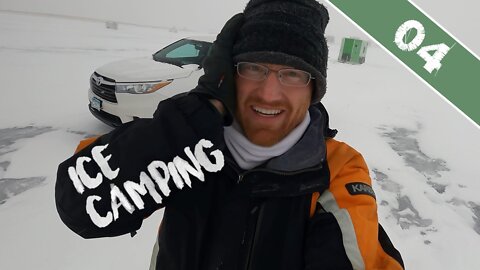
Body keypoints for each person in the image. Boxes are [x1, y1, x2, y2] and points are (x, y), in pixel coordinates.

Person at [55, 0, 404, 269]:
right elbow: (81, 204)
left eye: (292, 74)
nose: (269, 93)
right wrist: (199, 112)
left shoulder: (335, 169)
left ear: (314, 88)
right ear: (229, 73)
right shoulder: (183, 143)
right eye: (253, 67)